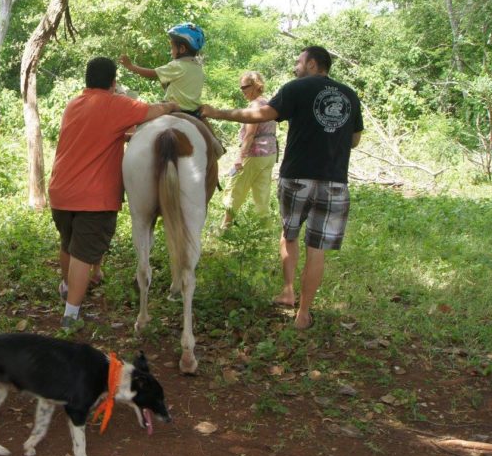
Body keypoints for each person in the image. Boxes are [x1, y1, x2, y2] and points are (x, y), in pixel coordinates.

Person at [201, 46, 363, 330]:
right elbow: (355, 140)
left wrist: (218, 112)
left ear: (312, 64)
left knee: (289, 235)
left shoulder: (296, 88)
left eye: (299, 62)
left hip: (297, 176)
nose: (295, 67)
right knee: (317, 249)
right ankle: (303, 313)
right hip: (335, 181)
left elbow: (261, 114)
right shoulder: (349, 95)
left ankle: (287, 291)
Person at [49, 56, 178, 329]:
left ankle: (66, 287)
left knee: (68, 244)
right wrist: (173, 104)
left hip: (61, 191)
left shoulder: (75, 104)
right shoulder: (116, 104)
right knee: (83, 255)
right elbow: (153, 111)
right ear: (113, 81)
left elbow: (98, 132)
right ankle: (71, 315)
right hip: (93, 197)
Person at [220, 71, 278, 230]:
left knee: (235, 189)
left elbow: (250, 134)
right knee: (262, 194)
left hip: (255, 153)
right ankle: (265, 231)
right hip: (270, 154)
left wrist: (239, 157)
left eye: (245, 87)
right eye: (241, 87)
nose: (242, 90)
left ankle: (225, 228)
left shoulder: (255, 106)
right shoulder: (268, 104)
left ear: (256, 86)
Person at [119, 22, 207, 117]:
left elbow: (152, 73)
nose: (170, 51)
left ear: (181, 49)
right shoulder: (198, 68)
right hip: (194, 113)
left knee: (140, 116)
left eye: (172, 47)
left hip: (173, 108)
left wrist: (130, 66)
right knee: (208, 131)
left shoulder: (178, 65)